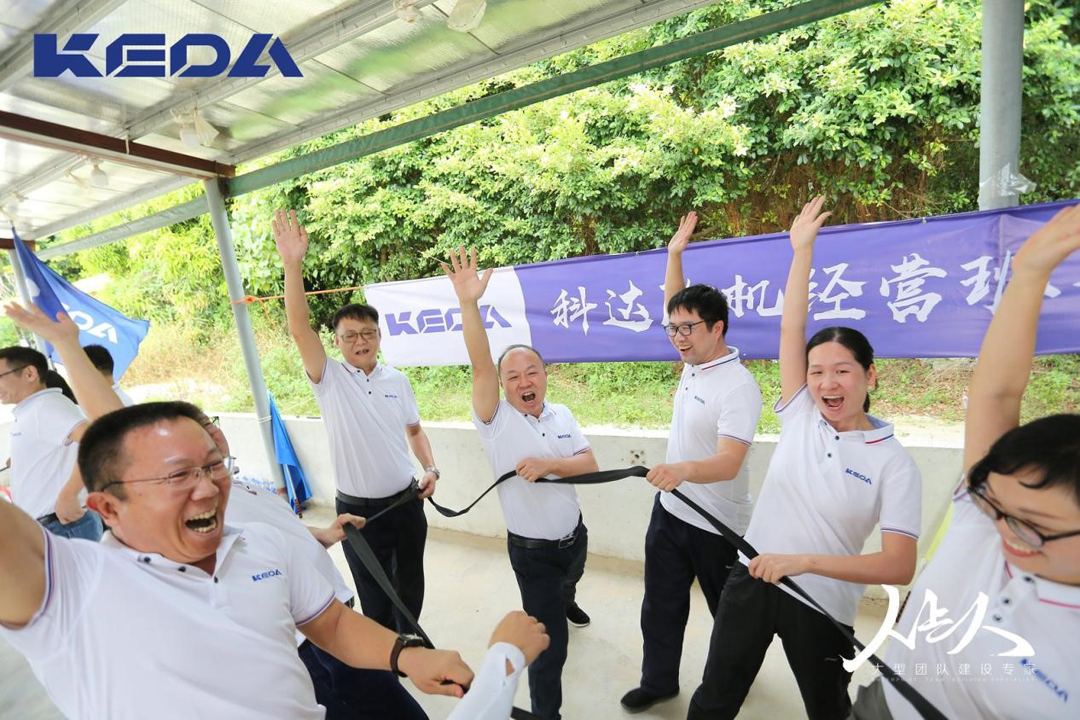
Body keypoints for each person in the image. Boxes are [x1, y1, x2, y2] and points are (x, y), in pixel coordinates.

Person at [688, 197, 923, 719]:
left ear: (870, 375)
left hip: (822, 604)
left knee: (828, 709)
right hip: (753, 578)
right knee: (714, 698)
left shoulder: (895, 464)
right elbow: (790, 330)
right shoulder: (800, 415)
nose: (826, 383)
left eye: (842, 371)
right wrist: (801, 253)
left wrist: (804, 562)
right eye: (816, 371)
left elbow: (899, 564)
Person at [849, 203, 1080, 720]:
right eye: (991, 502)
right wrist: (1030, 272)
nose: (1000, 531)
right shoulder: (988, 513)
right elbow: (996, 395)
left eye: (1030, 526)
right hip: (880, 702)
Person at [443, 247, 599, 720]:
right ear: (503, 385)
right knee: (549, 646)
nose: (524, 381)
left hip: (575, 537)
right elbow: (480, 365)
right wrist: (469, 303)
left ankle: (568, 597)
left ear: (545, 376)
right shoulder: (495, 421)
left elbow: (590, 465)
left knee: (572, 579)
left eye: (532, 372)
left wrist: (548, 465)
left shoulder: (561, 413)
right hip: (533, 555)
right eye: (512, 376)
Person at [197, 408, 429, 720]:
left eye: (209, 423)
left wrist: (325, 534)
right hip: (311, 639)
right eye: (197, 431)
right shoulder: (203, 507)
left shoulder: (242, 487)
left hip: (334, 613)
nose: (210, 434)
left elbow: (279, 535)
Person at [621, 212, 764, 713]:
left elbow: (729, 462)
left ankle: (729, 683)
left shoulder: (738, 386)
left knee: (730, 617)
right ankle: (658, 681)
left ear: (717, 328)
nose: (678, 337)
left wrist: (681, 470)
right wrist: (674, 254)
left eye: (689, 329)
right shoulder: (693, 364)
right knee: (660, 606)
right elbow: (674, 302)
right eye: (673, 329)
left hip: (716, 523)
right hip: (671, 512)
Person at [272, 208, 439, 632]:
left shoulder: (397, 380)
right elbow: (299, 329)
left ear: (379, 336)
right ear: (337, 341)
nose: (360, 341)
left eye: (367, 333)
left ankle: (410, 643)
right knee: (374, 594)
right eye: (350, 336)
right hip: (359, 515)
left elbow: (415, 430)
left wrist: (431, 468)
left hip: (407, 503)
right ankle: (385, 654)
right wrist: (292, 264)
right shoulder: (328, 378)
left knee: (411, 585)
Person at [0, 343, 99, 541]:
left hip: (63, 524)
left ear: (30, 373)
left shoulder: (46, 406)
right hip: (51, 526)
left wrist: (70, 494)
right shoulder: (32, 410)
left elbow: (96, 441)